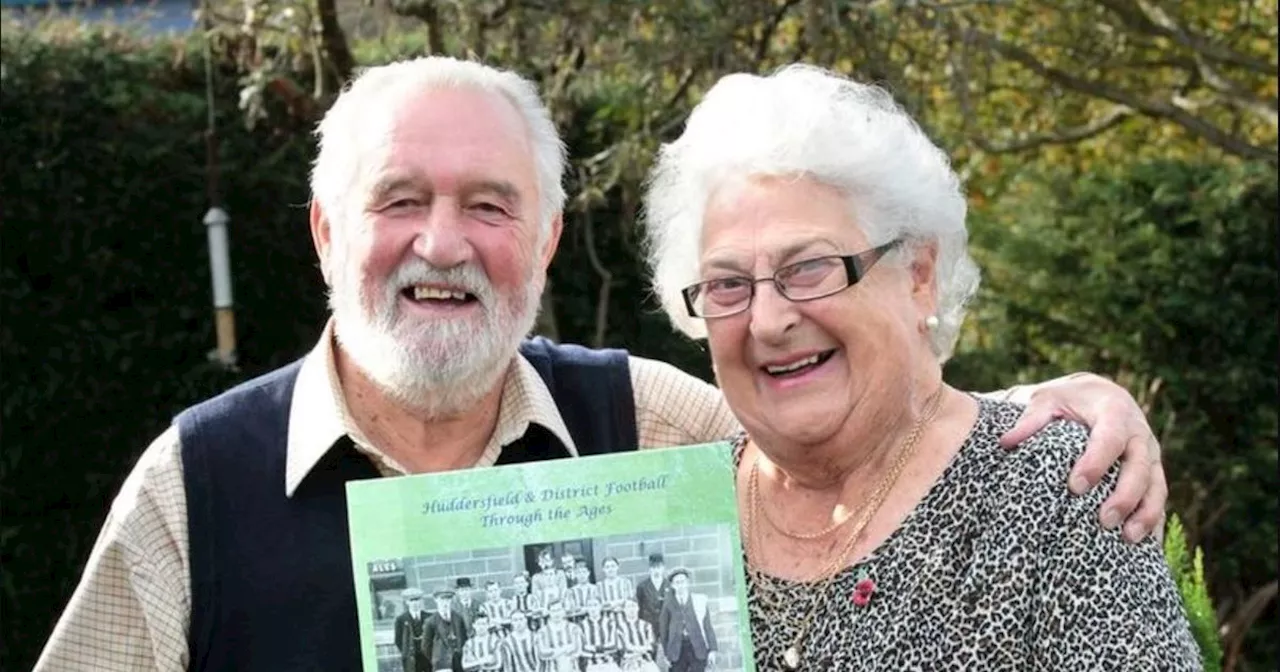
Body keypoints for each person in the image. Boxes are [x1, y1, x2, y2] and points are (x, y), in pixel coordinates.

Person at [33, 56, 1168, 671]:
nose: (441, 244)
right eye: (397, 202)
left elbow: (836, 429)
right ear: (327, 233)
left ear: (543, 243)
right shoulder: (194, 486)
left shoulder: (642, 420)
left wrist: (1049, 410)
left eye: (489, 205)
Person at [641, 64, 1201, 670]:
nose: (768, 321)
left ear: (918, 275)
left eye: (808, 268)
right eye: (728, 285)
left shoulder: (1057, 494)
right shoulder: (672, 517)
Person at [657, 570, 717, 672]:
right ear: (672, 585)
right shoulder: (668, 604)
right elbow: (663, 630)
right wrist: (667, 653)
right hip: (677, 651)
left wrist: (712, 650)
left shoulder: (699, 601)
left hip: (697, 648)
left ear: (688, 583)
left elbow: (708, 627)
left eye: (683, 581)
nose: (681, 585)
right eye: (677, 582)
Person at [424, 590, 469, 672]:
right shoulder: (431, 621)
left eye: (448, 599)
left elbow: (464, 638)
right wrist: (437, 657)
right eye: (442, 599)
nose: (445, 603)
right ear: (436, 600)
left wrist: (459, 652)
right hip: (441, 664)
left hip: (459, 661)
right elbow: (426, 646)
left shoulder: (458, 618)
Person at [535, 600, 584, 672]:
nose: (556, 614)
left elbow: (577, 650)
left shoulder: (574, 628)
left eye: (559, 610)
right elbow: (542, 654)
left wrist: (553, 651)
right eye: (553, 611)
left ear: (563, 611)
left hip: (572, 669)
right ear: (549, 612)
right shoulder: (542, 632)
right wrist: (566, 648)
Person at [615, 599, 660, 672]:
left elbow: (651, 646)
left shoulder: (646, 625)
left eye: (634, 606)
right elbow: (623, 648)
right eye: (628, 607)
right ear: (624, 610)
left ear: (638, 608)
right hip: (629, 663)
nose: (631, 609)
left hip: (646, 661)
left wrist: (635, 649)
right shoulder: (620, 628)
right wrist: (642, 649)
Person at [396, 587, 433, 672]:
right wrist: (407, 652)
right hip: (411, 659)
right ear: (407, 602)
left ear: (421, 601)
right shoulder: (401, 619)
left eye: (417, 600)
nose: (415, 603)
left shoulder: (429, 617)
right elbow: (398, 640)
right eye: (411, 600)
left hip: (428, 657)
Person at [597, 556, 633, 625]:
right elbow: (599, 605)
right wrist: (617, 603)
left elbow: (630, 601)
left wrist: (612, 604)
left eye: (613, 566)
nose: (610, 569)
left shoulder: (626, 582)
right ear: (603, 569)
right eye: (607, 567)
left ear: (617, 567)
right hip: (607, 621)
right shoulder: (599, 586)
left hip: (625, 619)